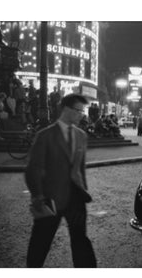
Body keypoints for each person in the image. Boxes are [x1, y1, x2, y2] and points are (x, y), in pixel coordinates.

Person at [25, 94, 97, 268]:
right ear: (66, 109)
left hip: (76, 198)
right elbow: (32, 169)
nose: (82, 115)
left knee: (80, 240)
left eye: (83, 111)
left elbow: (80, 168)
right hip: (51, 198)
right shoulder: (45, 135)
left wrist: (83, 190)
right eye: (78, 111)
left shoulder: (81, 135)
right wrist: (38, 196)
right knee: (41, 241)